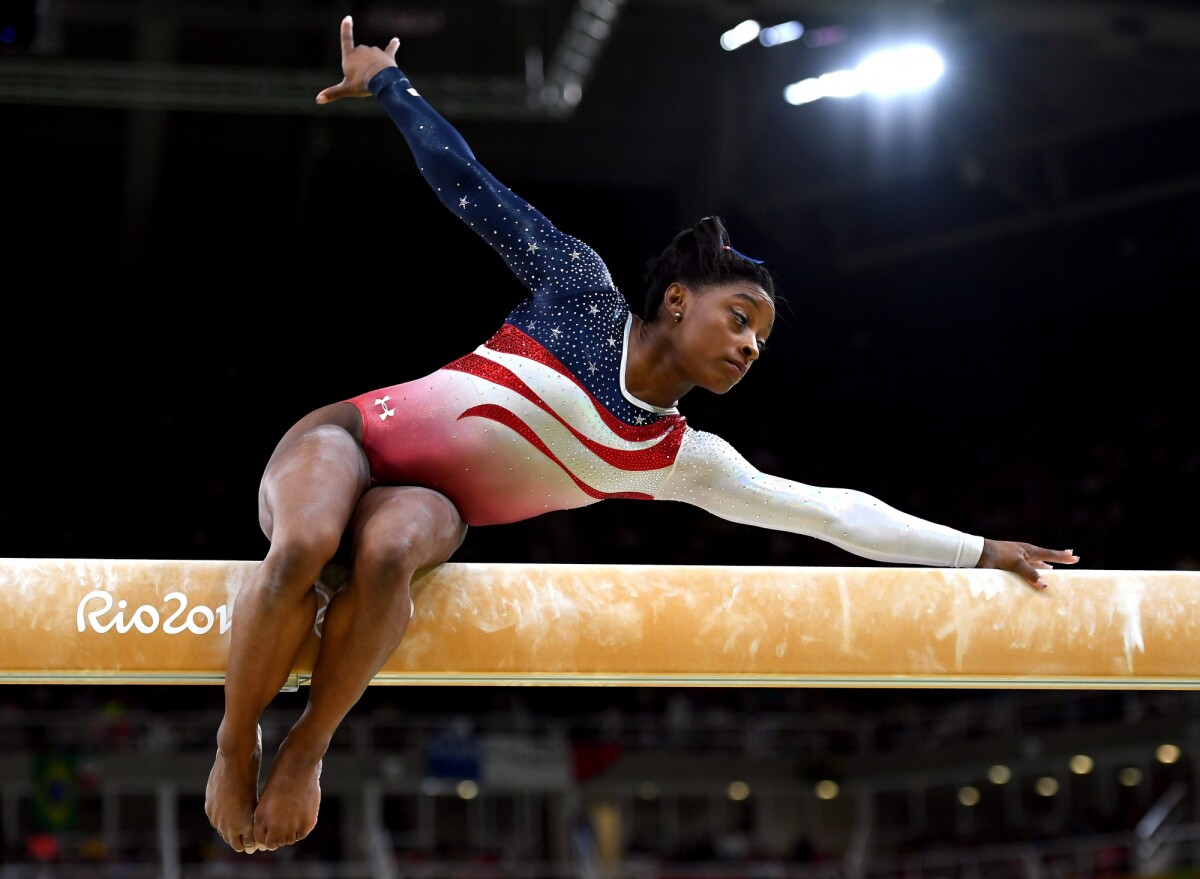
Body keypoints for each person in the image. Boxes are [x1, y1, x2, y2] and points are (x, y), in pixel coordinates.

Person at [204, 15, 1080, 854]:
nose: (748, 346)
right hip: (352, 438)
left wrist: (977, 550)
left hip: (430, 501)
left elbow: (830, 512)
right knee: (312, 539)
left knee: (394, 546)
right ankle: (234, 744)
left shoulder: (680, 459)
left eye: (760, 340)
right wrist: (389, 82)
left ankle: (306, 750)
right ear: (674, 300)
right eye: (739, 318)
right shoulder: (580, 292)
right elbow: (469, 184)